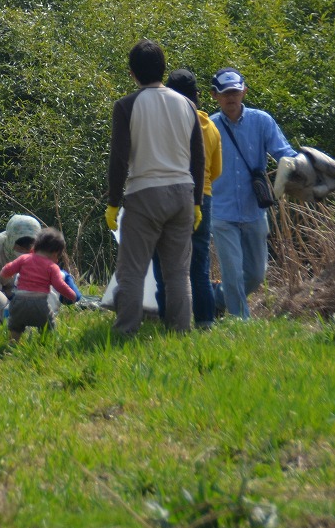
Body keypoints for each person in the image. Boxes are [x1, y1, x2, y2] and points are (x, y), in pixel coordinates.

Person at [105, 39, 205, 336]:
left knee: (132, 270)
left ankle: (126, 331)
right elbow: (197, 157)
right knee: (177, 272)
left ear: (132, 73)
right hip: (183, 194)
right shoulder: (186, 104)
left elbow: (119, 158)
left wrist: (113, 202)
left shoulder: (126, 105)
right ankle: (180, 331)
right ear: (164, 68)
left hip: (144, 193)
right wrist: (197, 202)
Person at [208, 67, 297, 320]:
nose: (231, 98)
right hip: (222, 212)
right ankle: (241, 326)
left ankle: (218, 298)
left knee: (257, 274)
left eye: (235, 91)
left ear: (245, 91)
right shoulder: (209, 127)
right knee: (233, 273)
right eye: (225, 93)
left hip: (254, 211)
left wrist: (301, 166)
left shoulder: (262, 121)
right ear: (215, 95)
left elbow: (285, 154)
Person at [151, 69, 223, 329]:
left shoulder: (161, 124)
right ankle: (205, 322)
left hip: (167, 195)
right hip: (201, 197)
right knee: (199, 267)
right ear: (198, 96)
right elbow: (216, 170)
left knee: (163, 266)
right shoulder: (211, 127)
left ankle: (167, 320)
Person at [0, 227, 79, 341]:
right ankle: (45, 344)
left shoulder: (23, 259)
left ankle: (12, 344)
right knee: (48, 325)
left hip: (19, 301)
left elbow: (7, 270)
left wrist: (4, 275)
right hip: (40, 303)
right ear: (55, 253)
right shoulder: (52, 267)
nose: (57, 261)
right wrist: (72, 295)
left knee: (15, 326)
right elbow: (59, 285)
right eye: (58, 257)